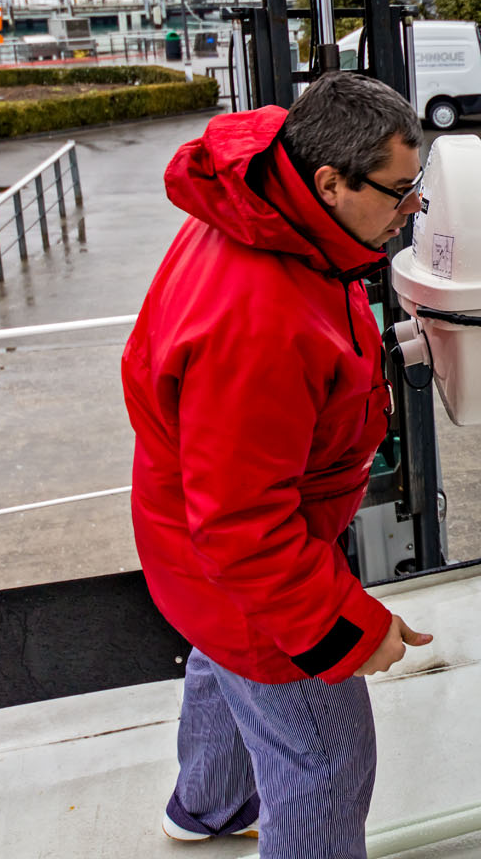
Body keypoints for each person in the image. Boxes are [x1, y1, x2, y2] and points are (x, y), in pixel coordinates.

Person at [123, 72, 434, 855]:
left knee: (221, 661)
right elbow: (243, 530)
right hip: (234, 562)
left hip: (189, 544)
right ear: (330, 183)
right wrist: (346, 629)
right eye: (399, 192)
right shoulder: (257, 321)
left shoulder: (268, 199)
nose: (413, 208)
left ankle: (209, 807)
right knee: (327, 762)